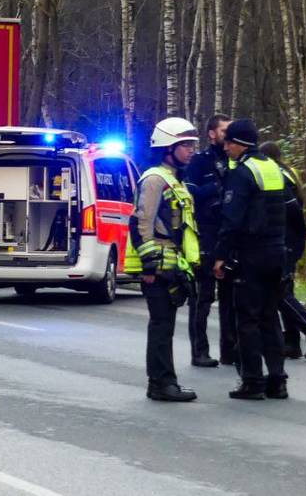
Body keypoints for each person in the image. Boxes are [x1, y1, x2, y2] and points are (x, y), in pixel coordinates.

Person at [215, 119, 305, 400]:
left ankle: (252, 381)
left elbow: (232, 219)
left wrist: (220, 255)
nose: (226, 147)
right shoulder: (272, 168)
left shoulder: (242, 173)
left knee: (248, 319)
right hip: (277, 253)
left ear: (241, 144)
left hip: (251, 254)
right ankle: (278, 380)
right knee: (269, 317)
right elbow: (289, 211)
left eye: (229, 142)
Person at [125, 117, 201, 402]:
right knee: (161, 326)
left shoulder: (173, 179)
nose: (191, 150)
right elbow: (142, 223)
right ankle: (160, 383)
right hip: (157, 267)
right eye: (185, 145)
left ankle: (164, 381)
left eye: (193, 145)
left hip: (171, 264)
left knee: (165, 325)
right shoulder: (155, 179)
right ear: (168, 147)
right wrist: (149, 267)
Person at [258, 141, 306, 359]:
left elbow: (292, 207)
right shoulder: (289, 172)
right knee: (285, 287)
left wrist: (301, 229)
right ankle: (292, 343)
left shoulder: (276, 175)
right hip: (292, 237)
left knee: (279, 291)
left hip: (286, 239)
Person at [183, 114, 231, 368]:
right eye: (224, 129)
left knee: (230, 296)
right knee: (203, 297)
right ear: (212, 133)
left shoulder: (234, 160)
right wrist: (215, 190)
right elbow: (190, 193)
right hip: (205, 234)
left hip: (228, 235)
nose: (228, 134)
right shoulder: (200, 162)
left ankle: (229, 350)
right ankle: (199, 351)